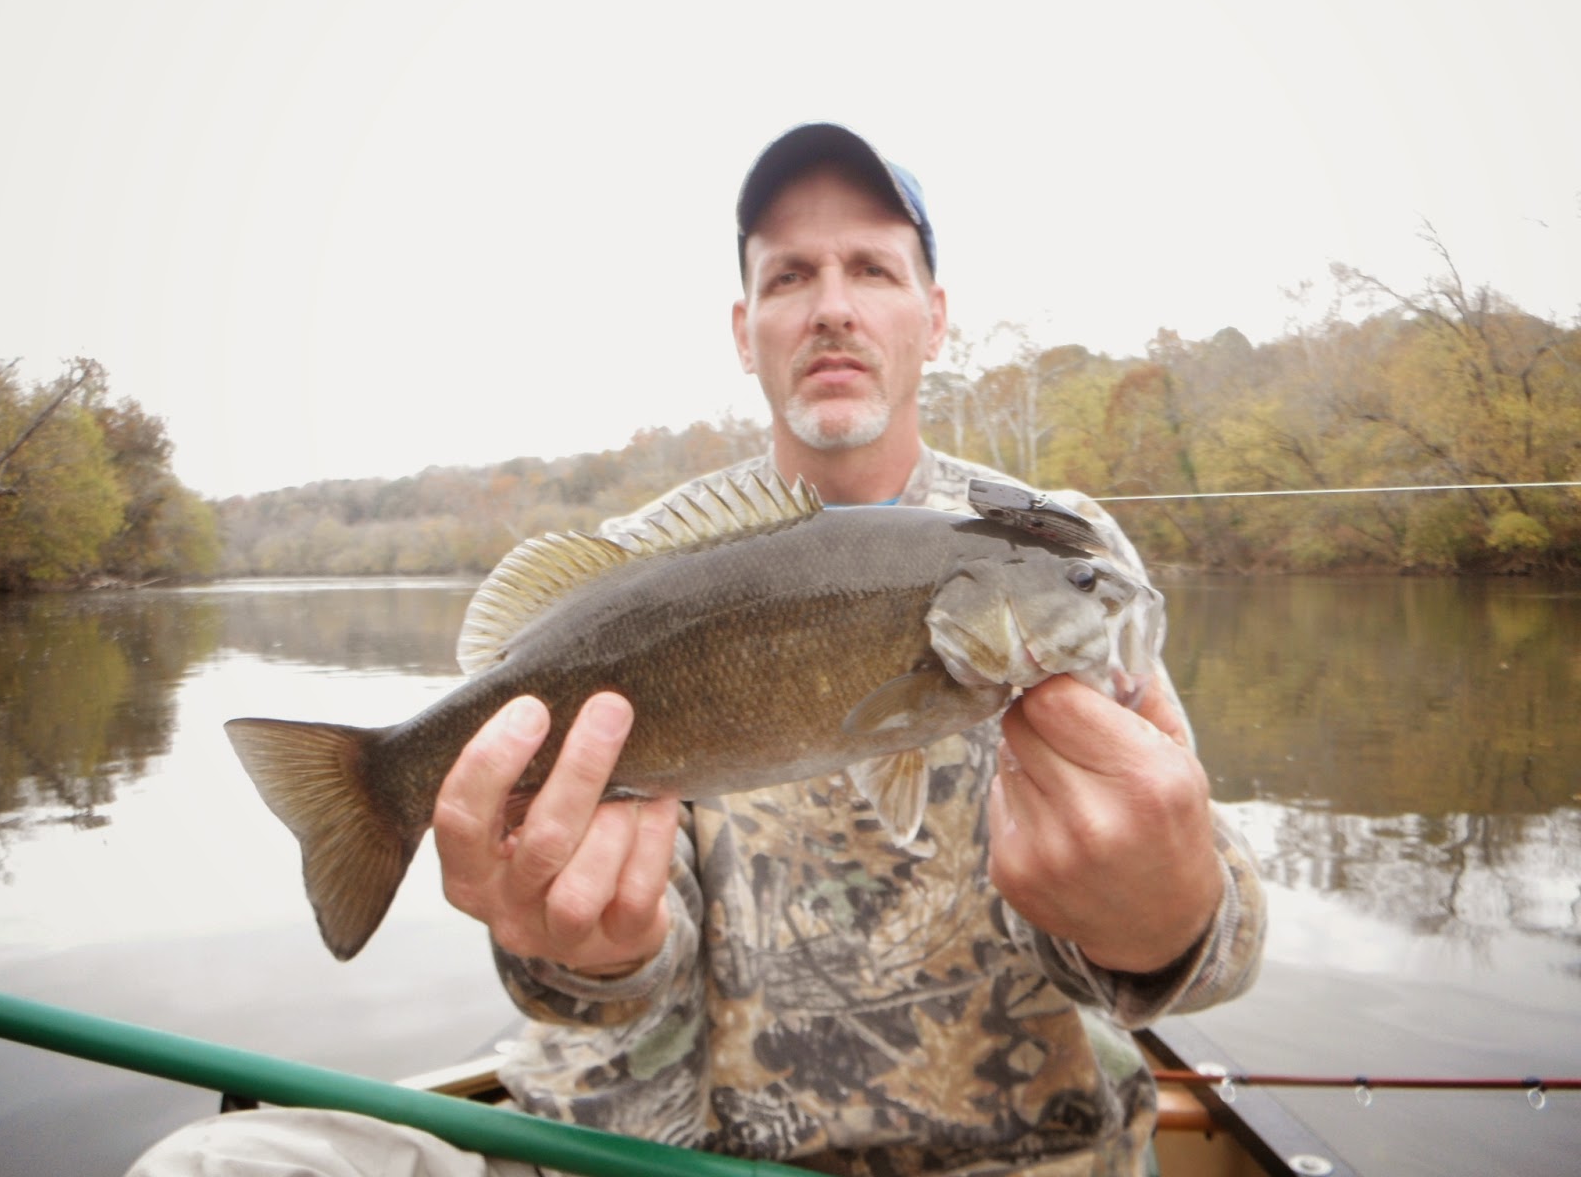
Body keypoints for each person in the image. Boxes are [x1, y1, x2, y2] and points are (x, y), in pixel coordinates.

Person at [129, 122, 1265, 1177]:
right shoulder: (631, 570)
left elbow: (1203, 953)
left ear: (934, 313)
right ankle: (365, 788)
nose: (832, 308)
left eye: (872, 269)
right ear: (744, 329)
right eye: (788, 276)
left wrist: (1164, 913)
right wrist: (588, 953)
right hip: (685, 1153)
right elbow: (610, 991)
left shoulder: (1059, 546)